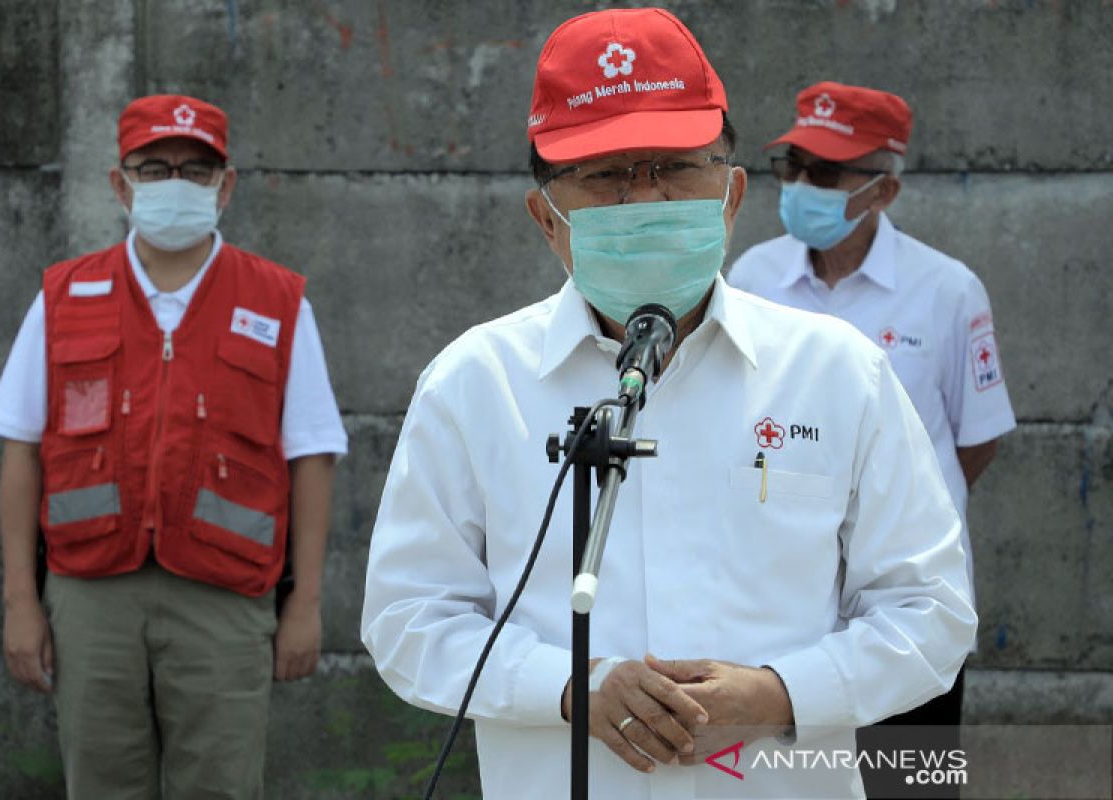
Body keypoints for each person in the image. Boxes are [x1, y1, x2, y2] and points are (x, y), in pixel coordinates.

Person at [361, 9, 976, 799]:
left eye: (674, 167)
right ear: (547, 216)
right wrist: (567, 689)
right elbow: (409, 620)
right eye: (605, 174)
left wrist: (781, 694)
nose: (643, 199)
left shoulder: (838, 373)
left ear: (730, 194)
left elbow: (930, 611)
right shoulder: (475, 384)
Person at [0, 94, 348, 799]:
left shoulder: (278, 302)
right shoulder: (64, 296)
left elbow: (312, 458)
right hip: (91, 592)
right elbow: (20, 452)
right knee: (100, 783)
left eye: (194, 169)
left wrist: (303, 604)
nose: (174, 184)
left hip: (226, 596)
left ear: (226, 185)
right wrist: (19, 602)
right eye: (154, 168)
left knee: (222, 786)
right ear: (120, 185)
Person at [726, 82, 1016, 796]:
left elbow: (975, 441)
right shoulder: (752, 277)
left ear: (883, 191)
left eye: (823, 174)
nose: (799, 187)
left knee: (908, 781)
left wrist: (886, 508)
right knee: (782, 781)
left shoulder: (946, 291)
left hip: (904, 603)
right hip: (781, 596)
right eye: (790, 167)